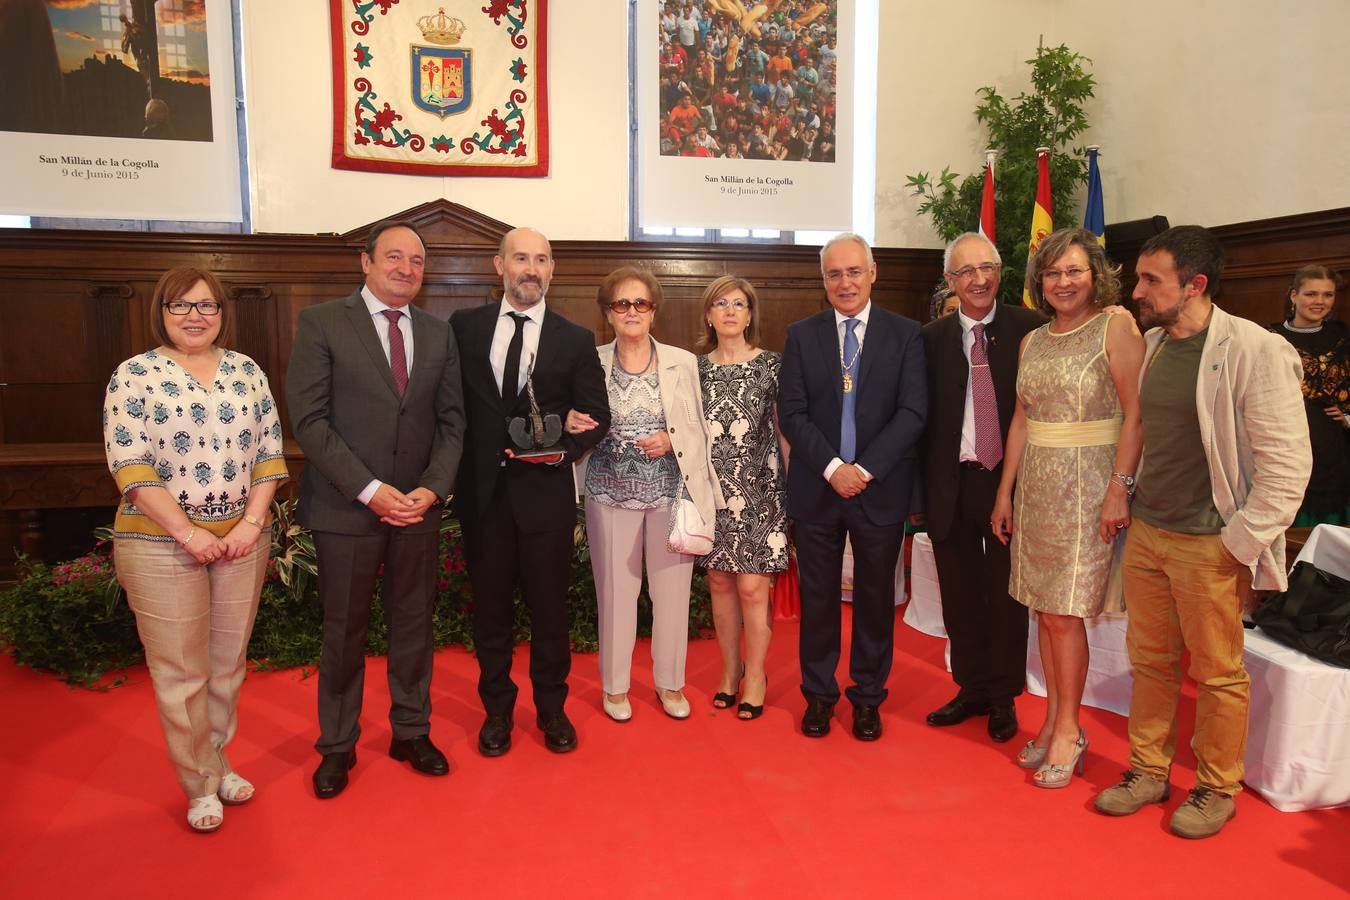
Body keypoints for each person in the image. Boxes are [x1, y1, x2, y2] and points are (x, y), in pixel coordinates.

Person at [1094, 225, 1309, 839]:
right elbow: (1141, 432)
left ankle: (1217, 786)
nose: (1136, 291)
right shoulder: (1155, 342)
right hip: (1149, 534)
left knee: (1217, 672)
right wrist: (1124, 494)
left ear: (1196, 285)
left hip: (1209, 543)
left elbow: (1288, 466)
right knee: (1151, 661)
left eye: (1150, 281)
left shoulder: (1254, 349)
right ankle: (1147, 771)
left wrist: (1237, 544)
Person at [104, 265, 288, 832]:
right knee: (182, 671)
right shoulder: (134, 376)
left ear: (221, 314)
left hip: (240, 542)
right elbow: (129, 466)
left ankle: (219, 759)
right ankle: (199, 783)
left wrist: (250, 527)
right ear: (161, 312)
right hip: (160, 544)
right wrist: (188, 534)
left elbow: (269, 455)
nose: (194, 316)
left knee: (227, 667)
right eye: (180, 306)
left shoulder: (245, 371)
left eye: (206, 306)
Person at [287, 221, 464, 799]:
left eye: (416, 261)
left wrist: (432, 489)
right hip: (347, 509)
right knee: (344, 630)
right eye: (393, 257)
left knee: (413, 625)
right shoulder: (321, 323)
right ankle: (336, 745)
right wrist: (369, 489)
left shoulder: (439, 335)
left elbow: (451, 423)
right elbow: (309, 422)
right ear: (365, 262)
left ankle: (410, 730)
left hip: (418, 509)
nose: (405, 269)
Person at [990, 228, 1145, 787]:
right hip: (1037, 487)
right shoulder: (1034, 339)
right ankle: (1055, 719)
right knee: (1044, 610)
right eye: (1052, 273)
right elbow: (1022, 420)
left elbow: (1136, 413)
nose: (1063, 282)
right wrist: (1005, 491)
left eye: (1074, 271)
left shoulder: (1117, 324)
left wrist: (1119, 488)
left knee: (1065, 612)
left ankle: (1068, 731)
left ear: (1095, 274)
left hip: (1089, 487)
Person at [450, 227, 609, 756]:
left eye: (541, 259)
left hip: (544, 499)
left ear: (551, 270)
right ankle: (496, 712)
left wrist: (563, 442)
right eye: (521, 258)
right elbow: (450, 412)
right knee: (490, 613)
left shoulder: (574, 337)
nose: (531, 269)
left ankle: (551, 709)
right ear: (499, 265)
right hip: (482, 498)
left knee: (549, 612)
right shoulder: (463, 328)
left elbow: (598, 418)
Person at [778, 233, 927, 741]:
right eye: (834, 274)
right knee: (818, 601)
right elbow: (792, 413)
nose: (845, 282)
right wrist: (832, 468)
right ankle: (819, 696)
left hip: (878, 490)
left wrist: (863, 470)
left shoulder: (906, 334)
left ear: (873, 272)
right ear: (824, 280)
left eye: (854, 271)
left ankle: (867, 697)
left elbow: (913, 412)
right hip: (818, 490)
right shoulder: (802, 335)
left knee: (874, 599)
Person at [570, 267, 723, 723]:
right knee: (615, 594)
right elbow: (571, 416)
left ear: (654, 311)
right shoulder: (589, 360)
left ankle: (670, 682)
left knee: (672, 594)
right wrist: (571, 423)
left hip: (669, 495)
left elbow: (702, 427)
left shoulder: (682, 362)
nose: (632, 311)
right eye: (622, 304)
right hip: (607, 492)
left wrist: (673, 440)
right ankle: (615, 688)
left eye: (641, 304)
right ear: (608, 313)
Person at [920, 233, 1044, 744]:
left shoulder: (1032, 330)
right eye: (966, 271)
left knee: (1006, 595)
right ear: (951, 281)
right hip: (950, 485)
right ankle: (969, 687)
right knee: (960, 593)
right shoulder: (928, 339)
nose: (978, 279)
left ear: (1000, 272)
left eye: (987, 268)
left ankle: (1002, 696)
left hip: (1010, 485)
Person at [696, 276, 789, 719]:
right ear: (709, 315)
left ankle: (756, 675)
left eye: (739, 304)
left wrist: (798, 490)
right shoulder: (694, 370)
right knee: (719, 583)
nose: (730, 311)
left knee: (753, 587)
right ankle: (729, 673)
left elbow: (786, 431)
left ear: (750, 314)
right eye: (721, 303)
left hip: (761, 490)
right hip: (711, 494)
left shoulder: (772, 365)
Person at [1268, 265, 1350, 525]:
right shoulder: (1269, 338)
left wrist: (1348, 416)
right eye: (1311, 294)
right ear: (1294, 296)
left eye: (1328, 295)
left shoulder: (1343, 336)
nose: (1320, 302)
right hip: (1284, 447)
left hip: (1334, 449)